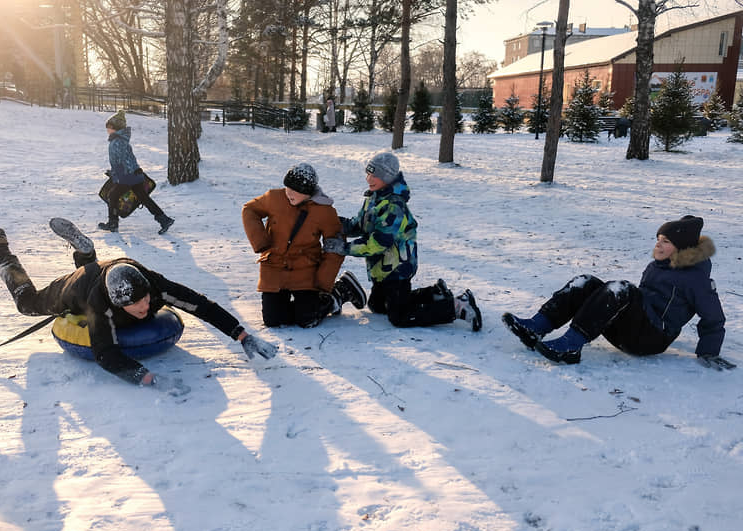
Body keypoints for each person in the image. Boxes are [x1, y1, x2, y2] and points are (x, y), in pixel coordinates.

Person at [0, 219, 278, 394]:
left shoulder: (154, 286)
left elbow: (201, 305)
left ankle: (86, 254)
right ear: (115, 304)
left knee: (97, 272)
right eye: (134, 306)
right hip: (76, 288)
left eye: (145, 301)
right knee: (27, 304)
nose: (144, 308)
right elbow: (106, 354)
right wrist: (150, 379)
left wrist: (243, 336)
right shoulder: (99, 306)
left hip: (112, 269)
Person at [502, 215, 733, 369]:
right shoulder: (657, 266)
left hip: (651, 339)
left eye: (666, 241)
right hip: (634, 329)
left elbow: (713, 316)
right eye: (658, 240)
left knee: (620, 289)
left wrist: (709, 351)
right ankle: (537, 327)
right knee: (587, 282)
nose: (658, 245)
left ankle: (570, 346)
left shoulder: (696, 278)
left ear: (682, 247)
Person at [323, 152, 482, 331]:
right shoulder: (374, 198)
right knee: (378, 305)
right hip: (382, 268)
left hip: (397, 267)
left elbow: (378, 243)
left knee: (399, 316)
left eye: (375, 175)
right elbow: (360, 224)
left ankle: (457, 306)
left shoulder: (394, 207)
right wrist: (336, 225)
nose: (369, 178)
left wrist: (344, 248)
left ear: (388, 177)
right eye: (368, 173)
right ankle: (434, 293)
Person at [242, 163, 366, 328]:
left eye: (296, 191)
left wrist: (324, 282)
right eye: (288, 188)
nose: (290, 194)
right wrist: (261, 241)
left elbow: (334, 247)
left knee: (307, 319)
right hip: (274, 267)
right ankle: (316, 301)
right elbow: (249, 210)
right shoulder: (274, 198)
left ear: (308, 193)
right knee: (273, 320)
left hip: (305, 271)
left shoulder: (324, 211)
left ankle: (338, 293)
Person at [100, 110, 174, 235]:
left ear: (116, 128)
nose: (107, 129)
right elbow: (126, 159)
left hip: (126, 177)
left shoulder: (116, 142)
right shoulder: (120, 140)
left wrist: (123, 173)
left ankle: (113, 223)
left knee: (112, 196)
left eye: (109, 127)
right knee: (144, 198)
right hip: (133, 175)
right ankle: (164, 219)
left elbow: (124, 160)